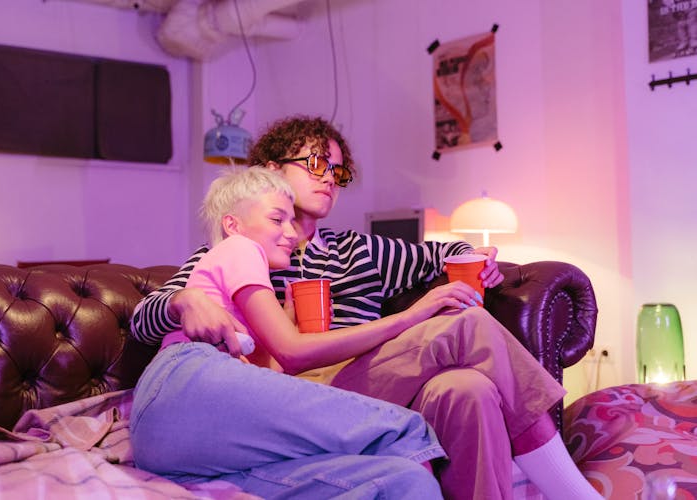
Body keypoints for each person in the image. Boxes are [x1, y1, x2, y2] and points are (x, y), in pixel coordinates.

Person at [131, 116, 601, 500]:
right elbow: (145, 317)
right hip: (283, 398)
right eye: (316, 163)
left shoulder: (360, 251)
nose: (329, 178)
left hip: (364, 382)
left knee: (468, 388)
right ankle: (571, 491)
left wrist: (477, 262)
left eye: (338, 171)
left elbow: (443, 253)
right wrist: (182, 300)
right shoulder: (242, 244)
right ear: (272, 169)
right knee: (469, 333)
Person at [130, 166, 446, 499]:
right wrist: (411, 317)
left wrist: (287, 322)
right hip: (181, 389)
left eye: (291, 222)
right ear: (233, 225)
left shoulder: (255, 292)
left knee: (404, 480)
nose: (292, 233)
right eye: (277, 219)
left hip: (188, 452)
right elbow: (292, 352)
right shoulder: (239, 248)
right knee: (405, 430)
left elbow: (270, 375)